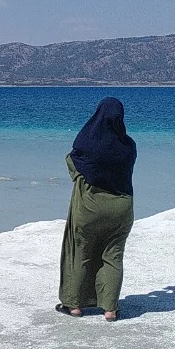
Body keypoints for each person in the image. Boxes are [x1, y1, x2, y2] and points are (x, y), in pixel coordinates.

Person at [56, 97, 136, 322]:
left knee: (80, 253)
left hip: (90, 206)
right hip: (121, 207)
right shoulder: (129, 147)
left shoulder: (88, 144)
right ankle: (109, 309)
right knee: (113, 256)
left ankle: (74, 305)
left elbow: (73, 160)